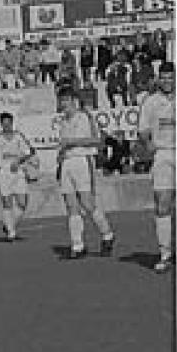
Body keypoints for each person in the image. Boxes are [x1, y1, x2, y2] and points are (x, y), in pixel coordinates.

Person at [55, 87, 115, 259]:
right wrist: (60, 160)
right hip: (67, 162)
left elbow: (96, 140)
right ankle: (77, 245)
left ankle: (107, 234)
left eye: (66, 100)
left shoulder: (84, 116)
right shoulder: (62, 121)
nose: (63, 104)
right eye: (61, 100)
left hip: (82, 160)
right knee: (71, 205)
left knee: (87, 203)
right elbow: (63, 144)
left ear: (74, 100)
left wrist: (72, 142)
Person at [137, 61, 175, 272]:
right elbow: (143, 130)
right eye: (164, 77)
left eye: (171, 77)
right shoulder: (150, 102)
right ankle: (165, 253)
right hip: (163, 155)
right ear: (159, 79)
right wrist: (148, 143)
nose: (167, 81)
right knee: (163, 204)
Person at [0, 112, 36, 241]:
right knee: (7, 203)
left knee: (22, 203)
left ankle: (10, 224)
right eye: (4, 124)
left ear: (12, 123)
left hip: (18, 172)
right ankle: (11, 232)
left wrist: (19, 161)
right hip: (4, 173)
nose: (7, 126)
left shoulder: (19, 136)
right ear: (1, 124)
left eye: (9, 123)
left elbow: (28, 152)